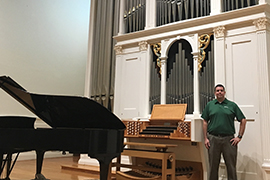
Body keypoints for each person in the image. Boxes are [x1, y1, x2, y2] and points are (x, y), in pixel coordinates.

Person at [201, 84, 247, 180]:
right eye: (217, 90)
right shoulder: (210, 105)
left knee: (231, 166)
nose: (219, 92)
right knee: (213, 166)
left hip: (229, 140)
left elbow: (243, 120)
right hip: (213, 139)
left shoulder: (232, 105)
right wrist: (205, 138)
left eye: (221, 90)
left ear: (224, 92)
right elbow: (205, 121)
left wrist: (239, 136)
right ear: (215, 93)